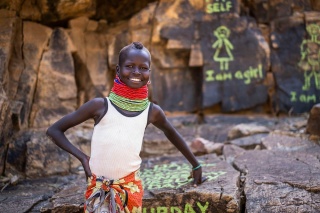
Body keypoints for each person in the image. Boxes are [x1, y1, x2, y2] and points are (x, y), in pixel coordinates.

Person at [46, 42, 206, 213]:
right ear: (118, 70)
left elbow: (171, 133)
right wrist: (84, 159)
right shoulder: (100, 106)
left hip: (131, 189)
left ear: (149, 73)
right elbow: (54, 131)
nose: (136, 72)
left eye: (143, 68)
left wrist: (196, 165)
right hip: (99, 188)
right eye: (129, 66)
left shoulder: (151, 111)